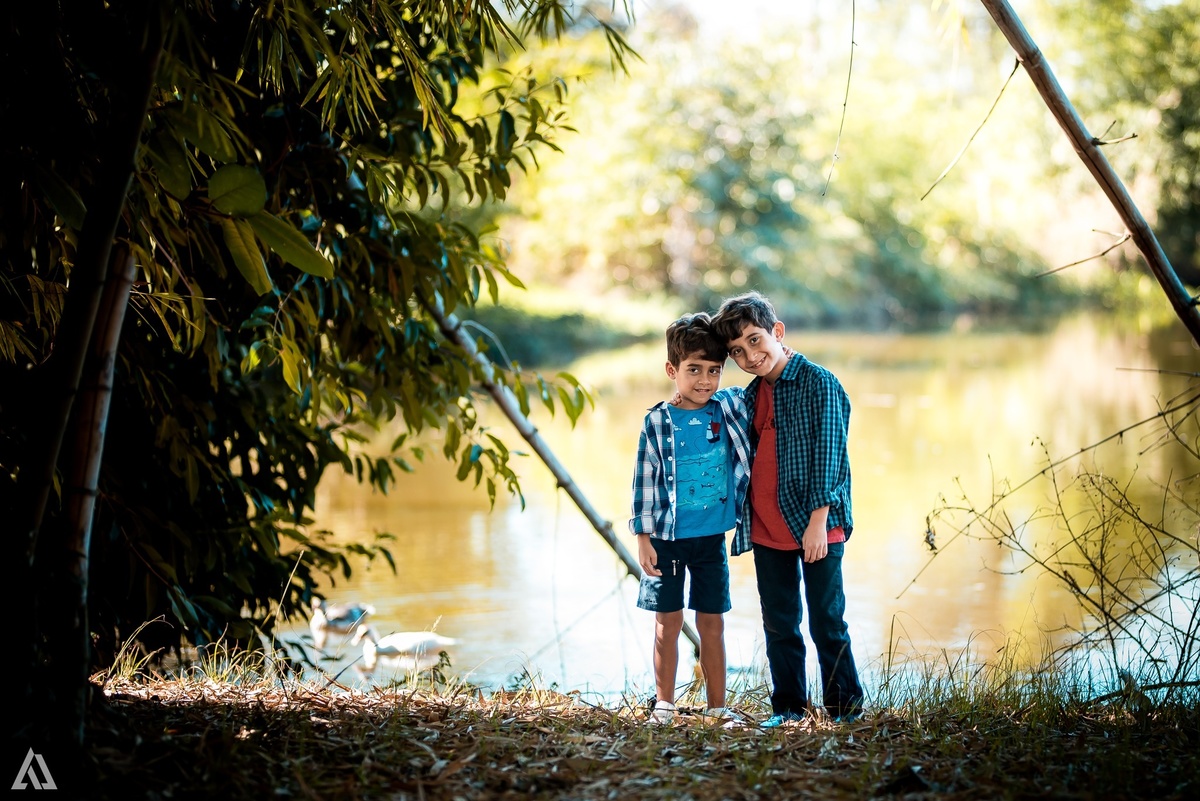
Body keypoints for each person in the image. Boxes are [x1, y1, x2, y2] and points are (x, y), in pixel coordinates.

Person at [711, 290, 864, 727]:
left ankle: (845, 710)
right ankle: (789, 709)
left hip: (817, 525)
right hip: (766, 527)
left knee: (827, 621)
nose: (749, 356)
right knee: (779, 624)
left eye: (755, 340)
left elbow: (831, 458)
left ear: (777, 332)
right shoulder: (750, 395)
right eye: (737, 351)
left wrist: (818, 522)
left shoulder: (820, 383)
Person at [629, 312, 752, 725]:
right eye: (694, 370)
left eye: (714, 370)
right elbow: (644, 481)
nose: (705, 380)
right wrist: (643, 537)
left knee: (712, 622)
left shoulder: (727, 407)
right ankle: (664, 705)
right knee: (667, 622)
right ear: (672, 370)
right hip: (666, 540)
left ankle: (717, 708)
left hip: (711, 540)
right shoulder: (656, 422)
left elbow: (762, 381)